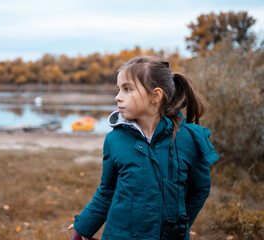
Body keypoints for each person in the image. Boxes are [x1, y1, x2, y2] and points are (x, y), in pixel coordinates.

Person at [67, 56, 219, 240]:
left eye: (127, 89)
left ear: (155, 96)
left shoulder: (189, 139)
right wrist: (83, 226)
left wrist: (180, 224)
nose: (117, 97)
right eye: (118, 89)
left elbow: (200, 189)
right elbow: (107, 190)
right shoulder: (115, 140)